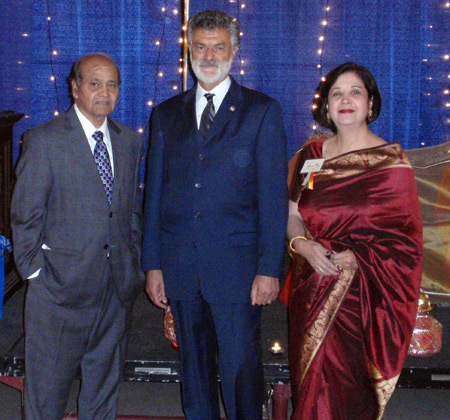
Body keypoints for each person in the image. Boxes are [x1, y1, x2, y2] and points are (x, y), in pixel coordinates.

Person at [141, 10, 288, 420]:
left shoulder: (262, 111)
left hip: (239, 272)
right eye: (200, 46)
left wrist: (269, 268)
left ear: (234, 51)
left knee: (241, 372)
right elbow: (154, 195)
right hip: (181, 269)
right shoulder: (166, 114)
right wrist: (153, 264)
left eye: (218, 46)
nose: (208, 55)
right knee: (195, 373)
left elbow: (273, 200)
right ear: (189, 51)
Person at [284, 62, 423, 420]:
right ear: (326, 106)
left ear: (371, 104)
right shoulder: (309, 157)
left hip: (360, 300)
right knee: (309, 385)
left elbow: (405, 242)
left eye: (355, 92)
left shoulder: (390, 164)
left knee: (347, 391)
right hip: (310, 287)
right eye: (337, 93)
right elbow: (292, 213)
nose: (345, 100)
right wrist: (302, 245)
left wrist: (359, 257)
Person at [11, 53, 145, 420]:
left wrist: (131, 266)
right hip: (58, 294)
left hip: (115, 292)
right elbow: (25, 216)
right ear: (74, 88)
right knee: (47, 398)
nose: (104, 92)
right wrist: (36, 274)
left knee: (103, 394)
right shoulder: (43, 141)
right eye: (94, 83)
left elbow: (131, 211)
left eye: (112, 84)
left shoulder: (130, 142)